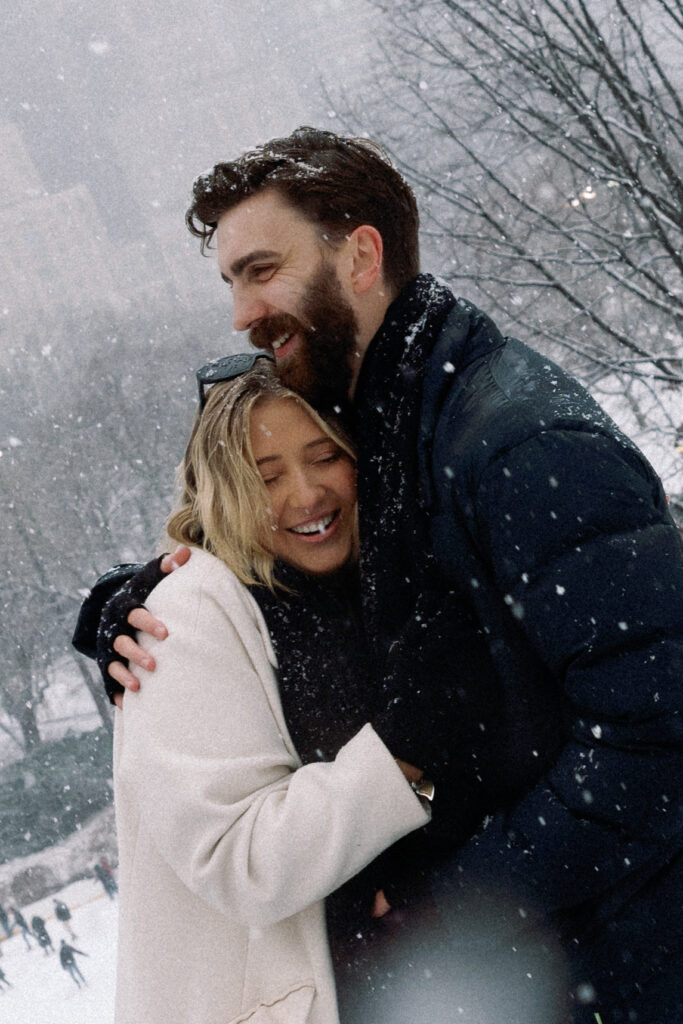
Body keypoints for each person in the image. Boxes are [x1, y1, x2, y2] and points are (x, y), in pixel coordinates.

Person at [79, 128, 683, 1023]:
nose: (242, 312)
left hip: (630, 968)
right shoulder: (405, 430)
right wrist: (151, 593)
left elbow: (657, 740)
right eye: (231, 282)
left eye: (260, 269)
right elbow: (299, 535)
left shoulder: (512, 441)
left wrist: (454, 902)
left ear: (360, 255)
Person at [107, 367, 431, 1024]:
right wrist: (409, 755)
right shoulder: (183, 619)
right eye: (266, 476)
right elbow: (239, 857)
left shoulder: (378, 584)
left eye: (324, 456)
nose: (306, 494)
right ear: (223, 492)